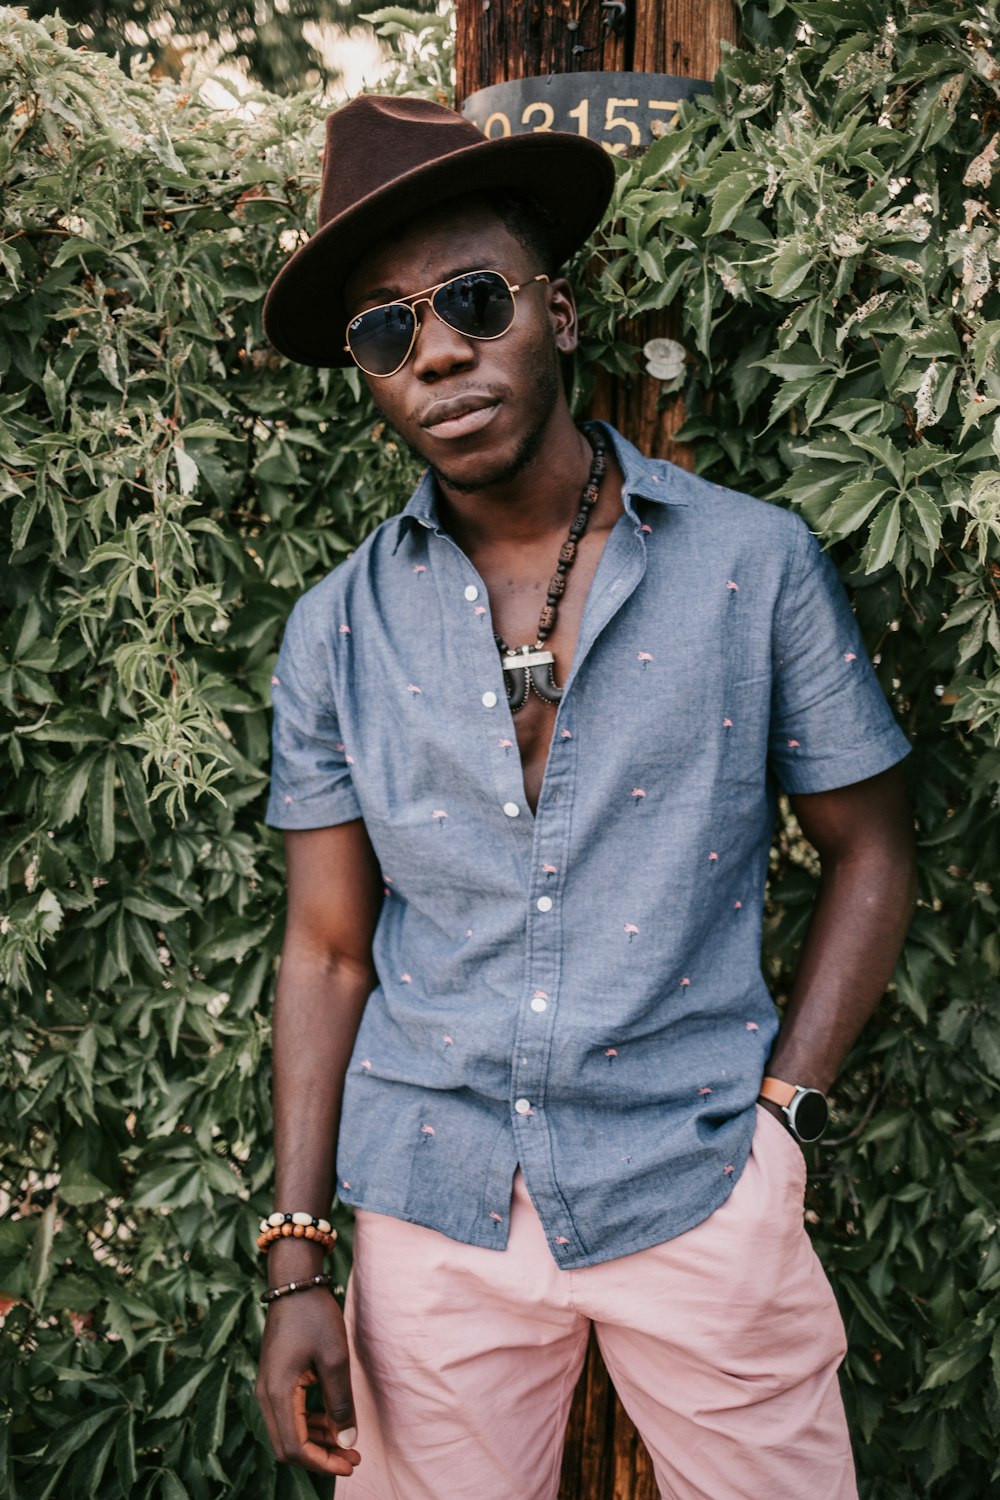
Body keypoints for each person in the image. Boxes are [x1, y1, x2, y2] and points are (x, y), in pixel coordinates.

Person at [254, 94, 917, 1500]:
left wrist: (782, 1116)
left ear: (555, 313)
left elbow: (869, 850)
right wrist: (297, 1256)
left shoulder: (754, 563)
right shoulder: (336, 632)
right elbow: (324, 949)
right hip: (433, 1215)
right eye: (386, 330)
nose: (436, 348)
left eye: (473, 300)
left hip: (696, 1180)